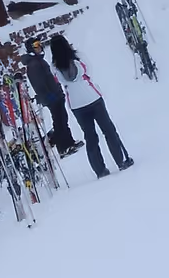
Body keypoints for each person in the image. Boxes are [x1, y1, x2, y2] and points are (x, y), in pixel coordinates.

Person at [48, 35, 133, 177]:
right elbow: (88, 71)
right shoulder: (79, 57)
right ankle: (121, 161)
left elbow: (59, 81)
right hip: (92, 97)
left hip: (76, 105)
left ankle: (100, 170)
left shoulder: (54, 67)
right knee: (109, 130)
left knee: (90, 136)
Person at [22, 36, 80, 156]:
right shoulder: (33, 64)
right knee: (59, 121)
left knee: (62, 119)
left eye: (39, 44)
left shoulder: (39, 61)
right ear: (31, 49)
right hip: (51, 98)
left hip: (56, 95)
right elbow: (39, 84)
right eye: (36, 45)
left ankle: (69, 142)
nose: (39, 47)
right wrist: (49, 96)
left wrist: (57, 90)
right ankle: (63, 148)